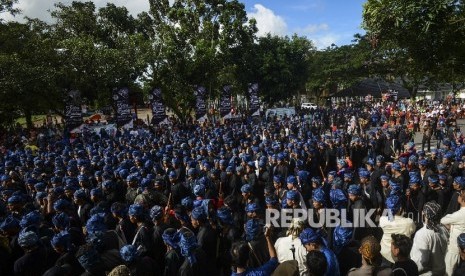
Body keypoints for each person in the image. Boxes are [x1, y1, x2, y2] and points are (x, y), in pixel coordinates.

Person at [410, 201, 449, 276]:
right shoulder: (443, 229)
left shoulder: (422, 234)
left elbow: (421, 261)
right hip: (442, 271)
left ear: (425, 214)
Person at [379, 195, 416, 264]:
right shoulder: (409, 222)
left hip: (385, 252)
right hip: (402, 255)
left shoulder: (382, 220)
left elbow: (390, 218)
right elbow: (413, 230)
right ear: (400, 208)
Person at [440, 189, 465, 276]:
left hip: (454, 249)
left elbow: (443, 220)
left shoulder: (460, 214)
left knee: (448, 272)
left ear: (462, 199)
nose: (458, 196)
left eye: (460, 195)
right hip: (461, 249)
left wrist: (450, 225)